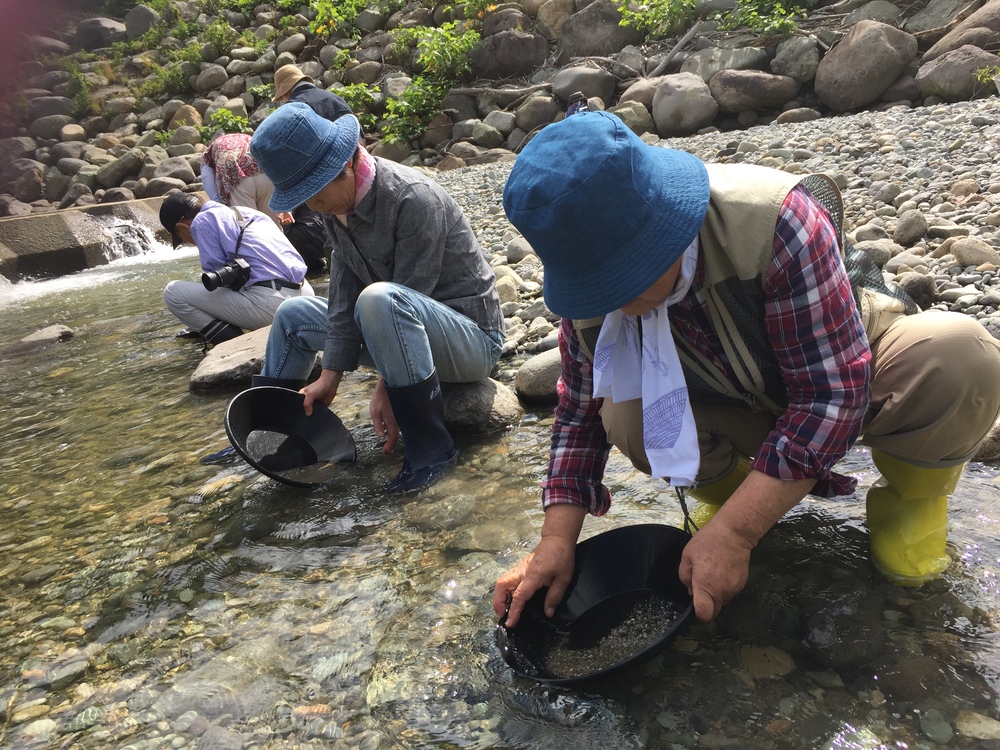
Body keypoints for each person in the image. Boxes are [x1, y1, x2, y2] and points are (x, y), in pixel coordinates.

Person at [493, 110, 1000, 627]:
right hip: (734, 396)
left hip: (856, 366)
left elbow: (831, 396)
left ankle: (910, 506)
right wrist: (555, 541)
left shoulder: (775, 222)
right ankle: (740, 504)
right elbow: (579, 414)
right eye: (597, 288)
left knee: (960, 354)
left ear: (670, 223)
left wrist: (736, 534)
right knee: (626, 416)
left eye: (627, 278)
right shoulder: (590, 292)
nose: (615, 303)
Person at [247, 103, 505, 492]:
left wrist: (385, 388)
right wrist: (330, 376)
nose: (311, 207)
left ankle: (433, 449)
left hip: (470, 340)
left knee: (378, 298)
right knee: (294, 312)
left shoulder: (412, 198)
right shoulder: (339, 208)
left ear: (345, 166)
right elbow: (342, 293)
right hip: (396, 322)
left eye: (314, 194)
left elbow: (407, 295)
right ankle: (271, 431)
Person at [159, 192, 313, 345]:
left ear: (183, 227)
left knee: (173, 292)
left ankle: (236, 345)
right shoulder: (246, 212)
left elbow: (219, 282)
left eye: (182, 239)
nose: (188, 242)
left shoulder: (201, 222)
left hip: (275, 307)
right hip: (306, 296)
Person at [201, 132, 283, 226]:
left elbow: (205, 176)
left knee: (249, 228)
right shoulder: (248, 138)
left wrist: (219, 202)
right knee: (272, 227)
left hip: (238, 178)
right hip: (265, 173)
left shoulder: (208, 152)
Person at [272, 64, 354, 125]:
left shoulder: (291, 109)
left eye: (281, 97)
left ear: (287, 91)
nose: (283, 100)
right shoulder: (336, 98)